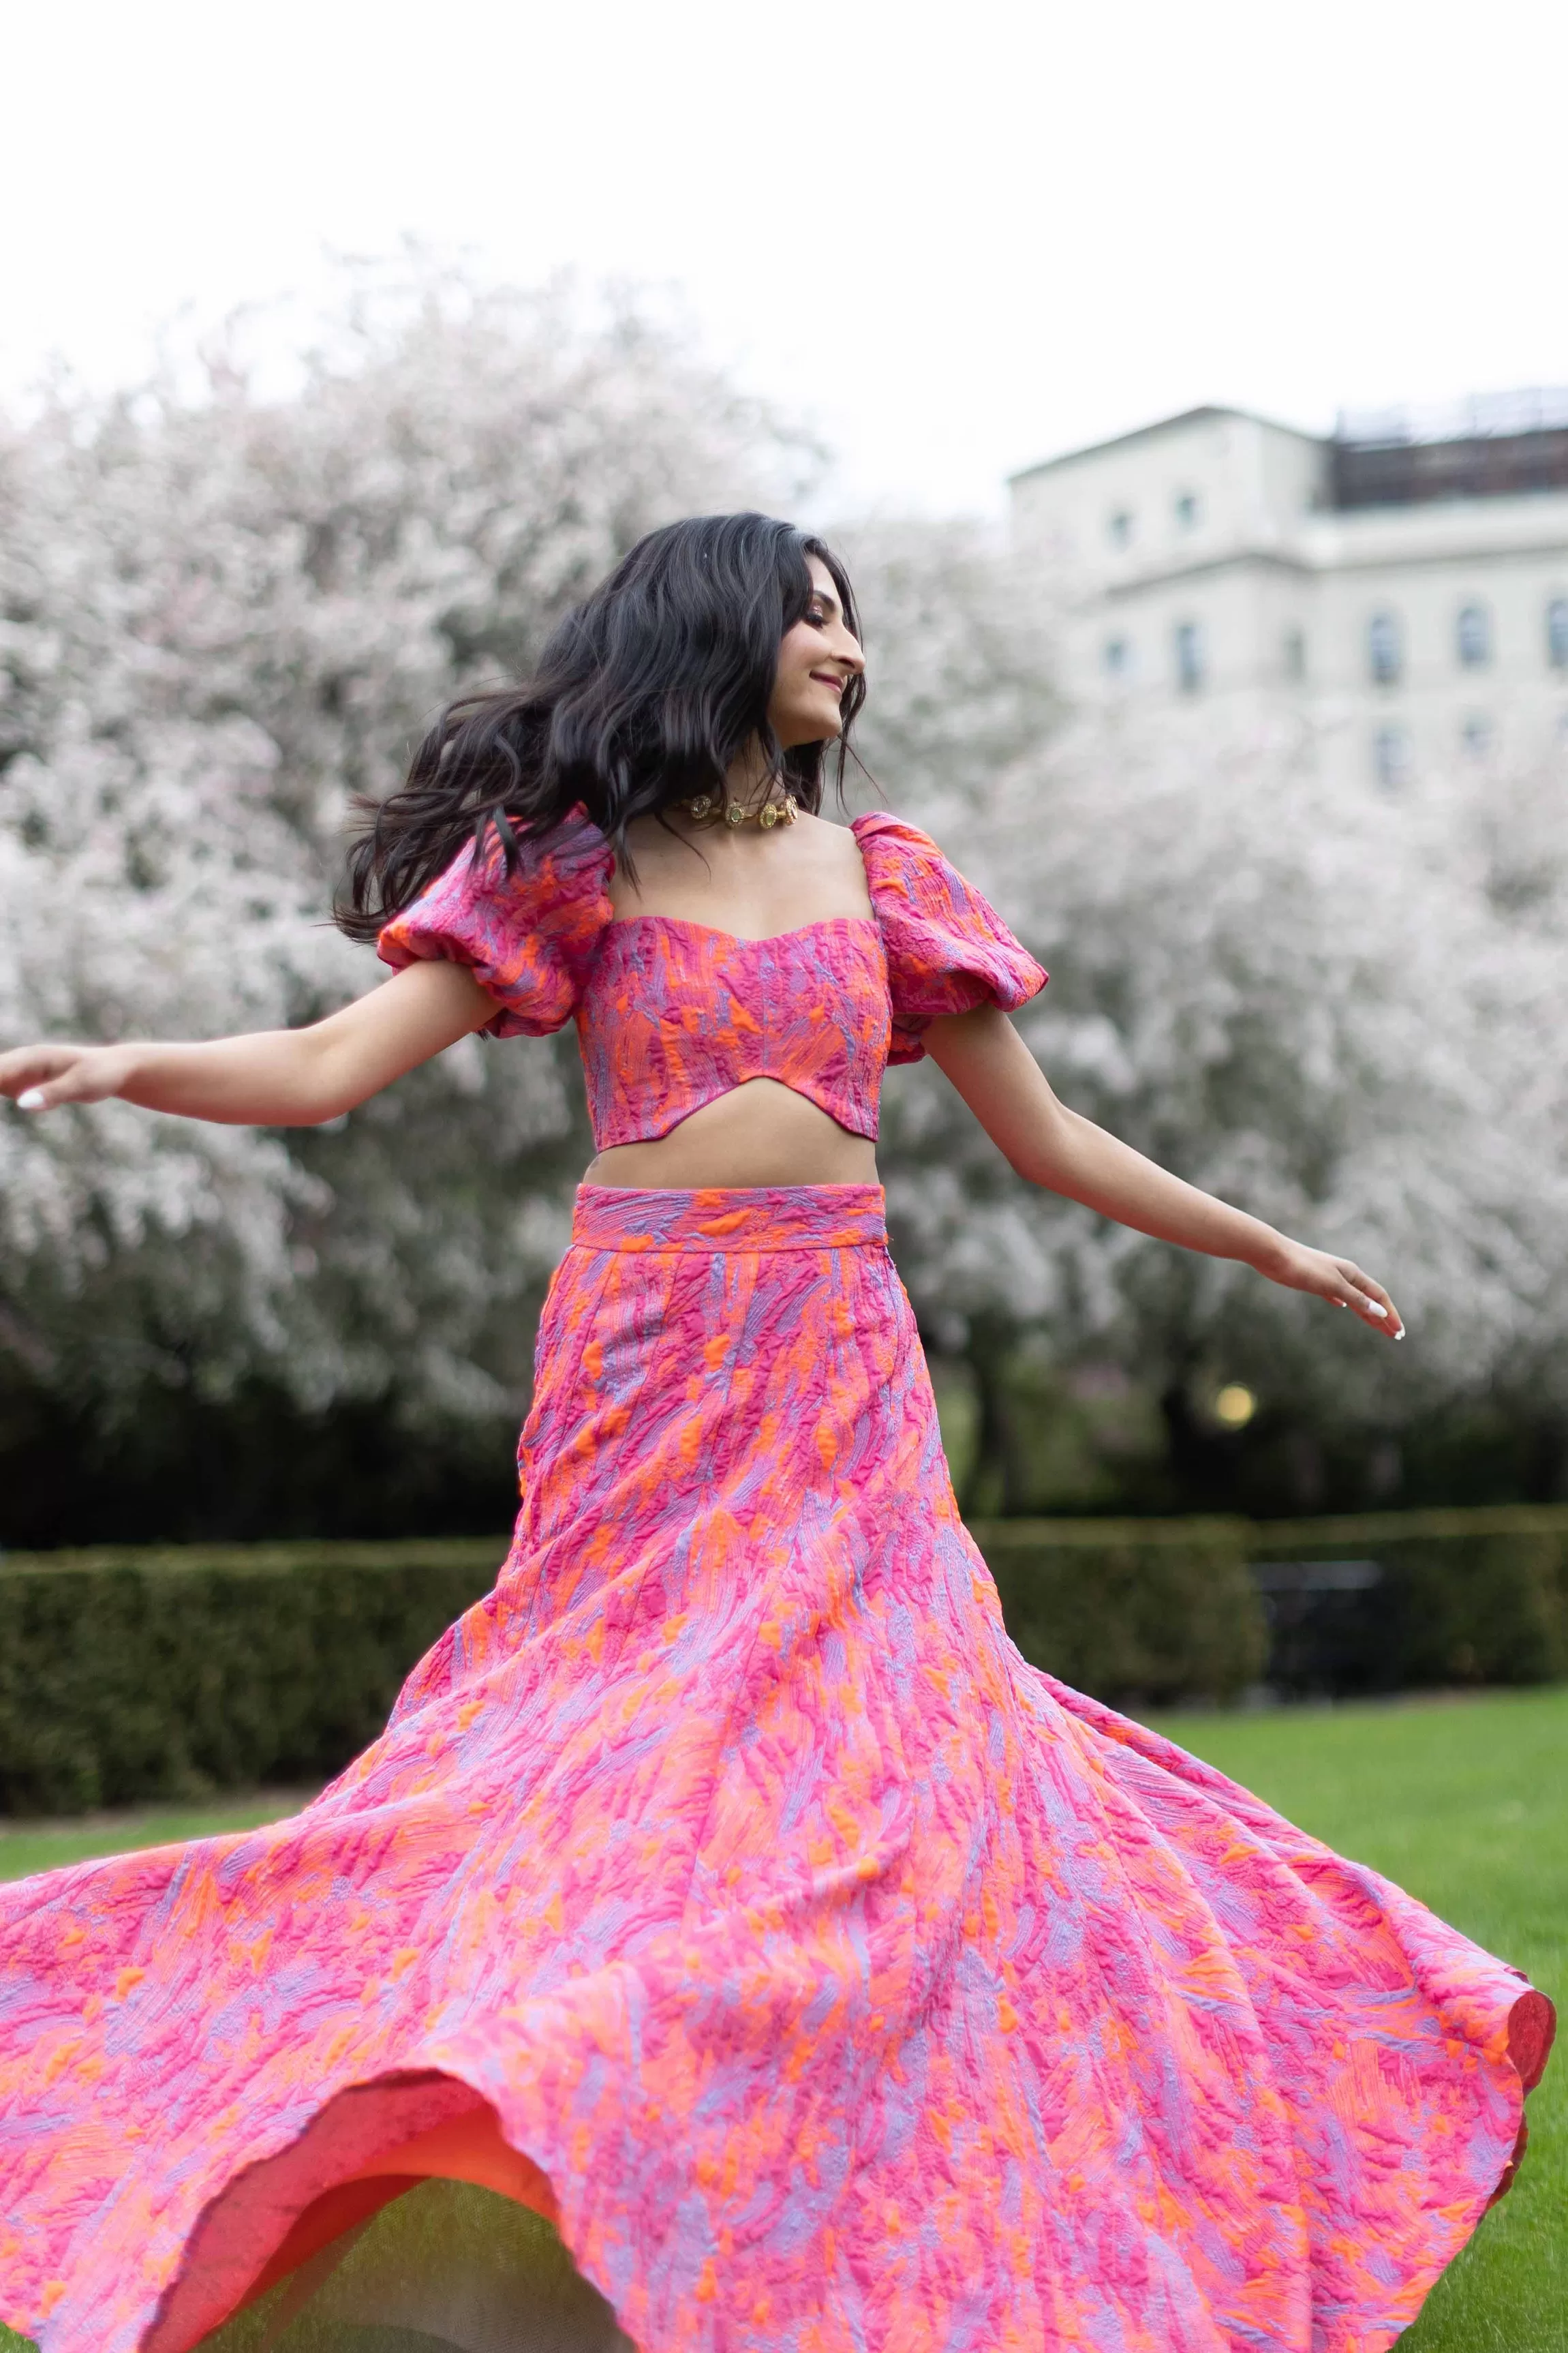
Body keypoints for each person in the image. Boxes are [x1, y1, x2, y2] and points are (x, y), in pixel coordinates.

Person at [0, 513, 1551, 2353]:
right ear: (717, 632)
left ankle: (883, 2196)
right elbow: (331, 1066)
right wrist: (128, 1064)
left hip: (836, 1353)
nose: (843, 649)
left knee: (889, 1764)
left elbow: (1048, 1141)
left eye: (850, 621)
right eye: (809, 615)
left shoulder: (883, 873)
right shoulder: (568, 865)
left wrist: (1263, 1241)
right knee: (613, 1747)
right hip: (648, 1354)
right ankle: (515, 2094)